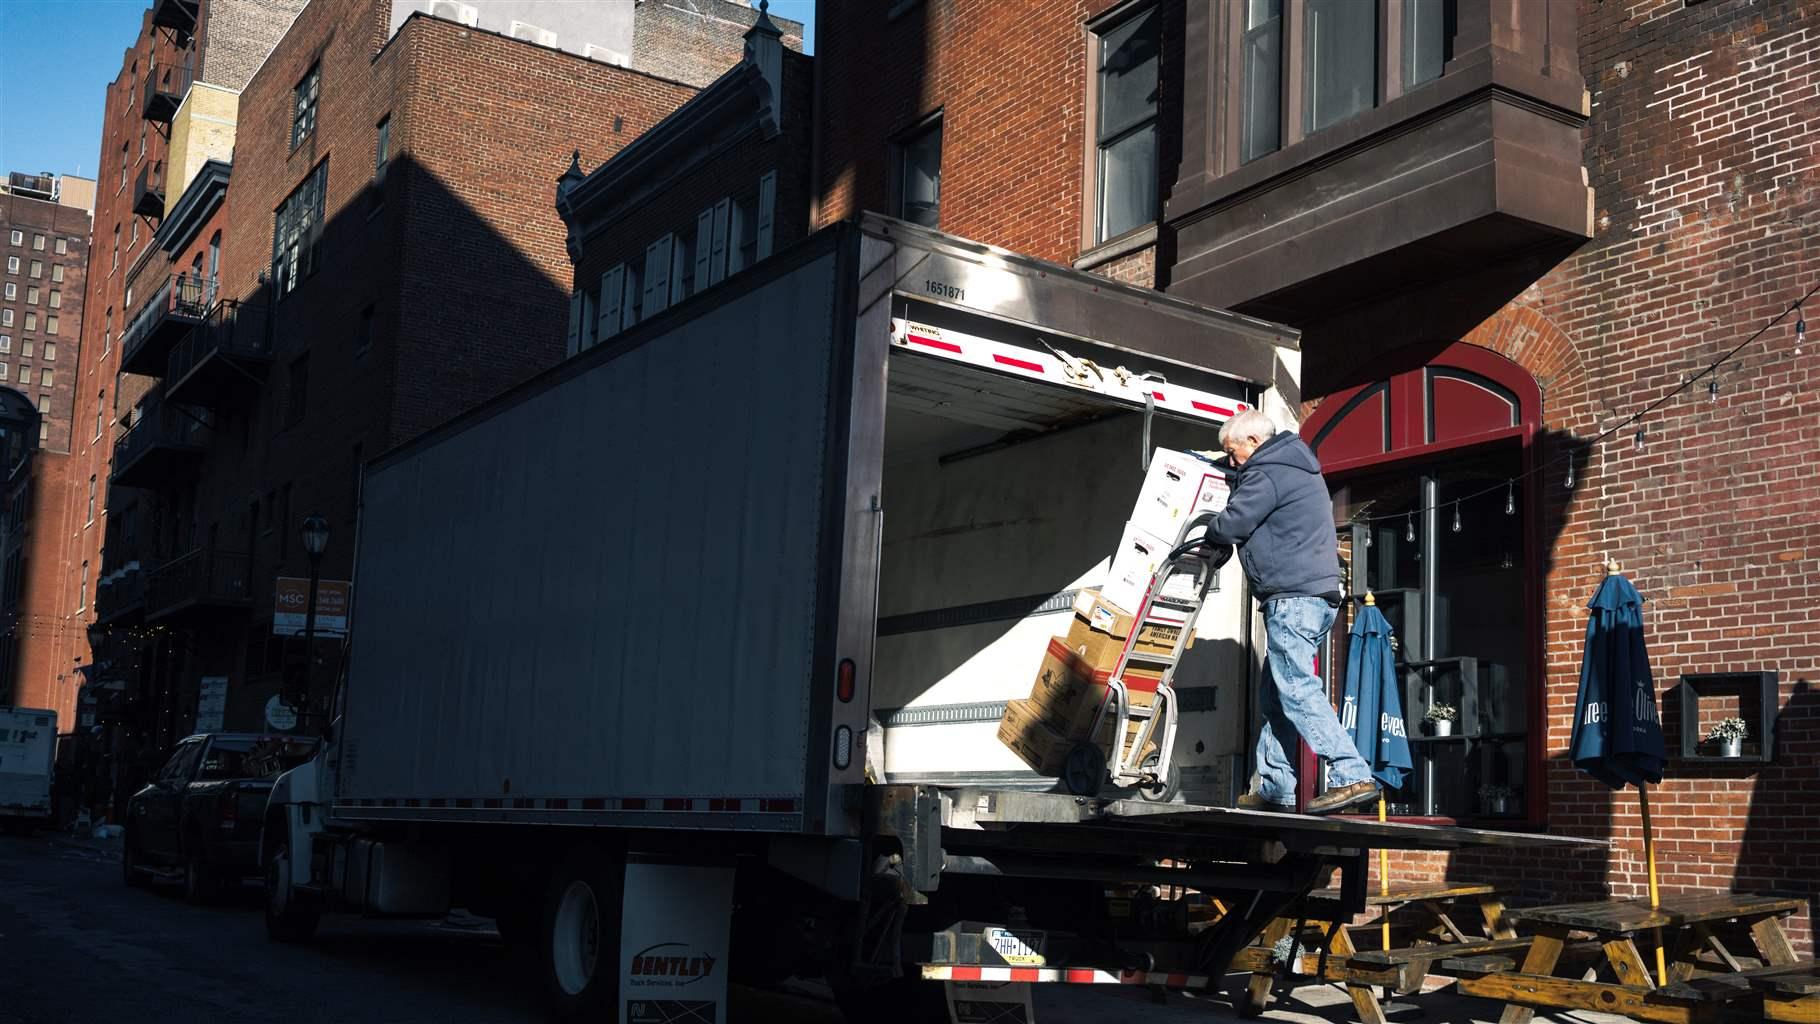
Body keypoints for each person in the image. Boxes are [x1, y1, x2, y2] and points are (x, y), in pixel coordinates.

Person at [1212, 409, 1379, 816]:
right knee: (1276, 692)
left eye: (1233, 454)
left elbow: (1233, 523)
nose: (1232, 462)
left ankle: (1351, 773)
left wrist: (1208, 529)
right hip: (1314, 596)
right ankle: (1277, 786)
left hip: (1292, 598)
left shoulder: (1266, 472)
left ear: (1253, 442)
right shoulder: (1296, 465)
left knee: (1297, 687)